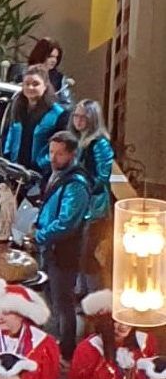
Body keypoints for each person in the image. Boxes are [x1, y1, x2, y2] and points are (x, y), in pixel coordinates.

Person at [34, 131, 92, 361]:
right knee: (51, 296)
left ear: (72, 154)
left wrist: (40, 236)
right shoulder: (57, 174)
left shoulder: (76, 184)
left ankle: (67, 349)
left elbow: (67, 223)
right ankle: (55, 340)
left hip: (64, 251)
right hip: (50, 247)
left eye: (59, 153)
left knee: (63, 301)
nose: (53, 158)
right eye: (51, 152)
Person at [71, 290, 155, 379]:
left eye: (127, 319)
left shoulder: (145, 342)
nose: (123, 325)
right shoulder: (88, 349)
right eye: (117, 320)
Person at [71, 100, 114, 293]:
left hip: (95, 207)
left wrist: (83, 188)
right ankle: (82, 291)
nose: (78, 121)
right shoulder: (80, 140)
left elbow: (103, 176)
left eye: (83, 117)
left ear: (92, 119)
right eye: (76, 116)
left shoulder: (99, 143)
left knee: (89, 254)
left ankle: (96, 296)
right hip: (82, 204)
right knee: (79, 251)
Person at [0, 64, 67, 173]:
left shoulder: (58, 114)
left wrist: (40, 166)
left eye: (35, 84)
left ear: (45, 86)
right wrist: (8, 162)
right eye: (27, 84)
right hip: (15, 169)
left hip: (42, 173)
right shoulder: (17, 107)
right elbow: (10, 135)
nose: (30, 87)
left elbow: (60, 148)